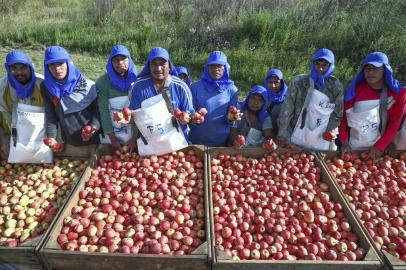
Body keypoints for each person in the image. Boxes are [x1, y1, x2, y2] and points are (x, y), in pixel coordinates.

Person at [128, 47, 195, 155]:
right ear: (148, 66)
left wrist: (186, 119)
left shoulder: (180, 87)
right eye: (154, 64)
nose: (158, 68)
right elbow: (134, 116)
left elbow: (191, 114)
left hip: (177, 144)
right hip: (150, 146)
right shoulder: (138, 87)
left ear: (169, 65)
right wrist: (132, 132)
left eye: (162, 64)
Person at [339, 52, 406, 158]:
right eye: (367, 68)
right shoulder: (354, 92)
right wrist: (344, 142)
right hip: (355, 146)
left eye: (376, 68)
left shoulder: (398, 94)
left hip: (381, 148)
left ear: (385, 70)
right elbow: (343, 118)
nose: (370, 71)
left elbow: (395, 122)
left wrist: (381, 145)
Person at [276, 48, 344, 151]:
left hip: (322, 136)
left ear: (331, 66)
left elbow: (337, 113)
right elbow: (287, 108)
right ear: (313, 64)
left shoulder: (335, 86)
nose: (320, 69)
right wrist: (282, 132)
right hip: (297, 132)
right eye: (317, 64)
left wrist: (330, 130)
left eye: (324, 65)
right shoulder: (299, 82)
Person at [41, 46, 100, 150]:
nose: (57, 69)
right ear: (47, 67)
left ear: (68, 63)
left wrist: (93, 126)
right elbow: (50, 114)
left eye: (60, 63)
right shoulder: (46, 87)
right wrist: (51, 137)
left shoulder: (87, 85)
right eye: (52, 65)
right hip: (68, 140)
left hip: (92, 138)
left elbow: (98, 110)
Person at [0, 50, 44, 160]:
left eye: (23, 67)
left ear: (30, 67)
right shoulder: (2, 87)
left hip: (39, 137)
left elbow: (54, 116)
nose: (19, 72)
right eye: (14, 68)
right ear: (8, 69)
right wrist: (4, 142)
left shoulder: (42, 84)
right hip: (12, 137)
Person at [189, 51, 239, 147]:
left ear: (225, 68)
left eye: (219, 66)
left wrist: (231, 118)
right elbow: (190, 113)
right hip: (196, 141)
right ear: (207, 67)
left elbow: (233, 119)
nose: (216, 69)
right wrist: (195, 116)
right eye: (212, 66)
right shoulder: (195, 87)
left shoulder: (232, 90)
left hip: (220, 142)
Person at [96, 45, 137, 151]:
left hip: (134, 134)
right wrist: (112, 138)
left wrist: (135, 137)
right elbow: (104, 111)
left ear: (129, 59)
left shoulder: (137, 80)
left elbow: (139, 110)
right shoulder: (103, 83)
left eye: (123, 58)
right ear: (111, 62)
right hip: (113, 132)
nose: (120, 63)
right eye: (116, 60)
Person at [264, 68, 288, 138]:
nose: (273, 86)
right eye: (270, 82)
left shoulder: (289, 96)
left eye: (276, 82)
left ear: (281, 82)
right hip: (265, 131)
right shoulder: (263, 94)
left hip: (282, 133)